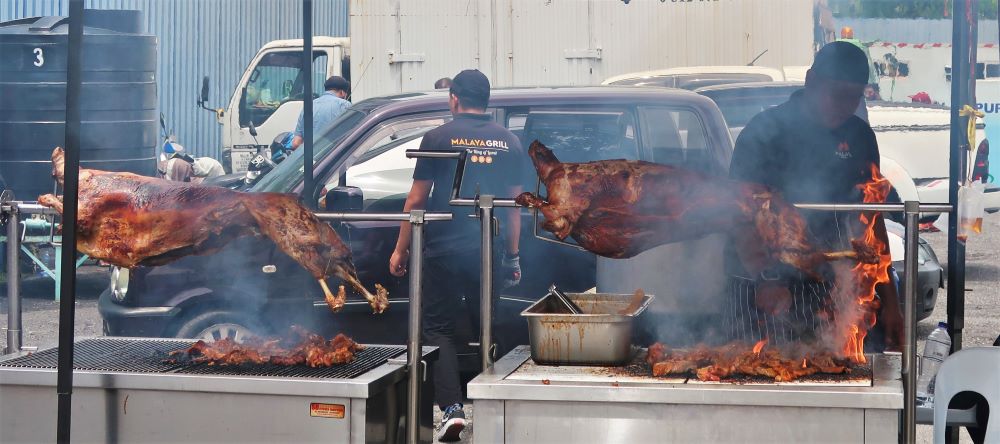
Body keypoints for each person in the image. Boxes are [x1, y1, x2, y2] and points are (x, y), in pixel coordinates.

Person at [725, 41, 904, 351]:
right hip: (759, 285)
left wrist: (891, 300)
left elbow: (871, 220)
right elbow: (739, 214)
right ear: (811, 81)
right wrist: (766, 278)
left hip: (826, 287)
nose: (845, 106)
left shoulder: (859, 137)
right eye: (837, 95)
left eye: (854, 97)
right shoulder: (763, 133)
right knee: (759, 374)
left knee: (830, 371)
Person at [388, 69, 524, 442]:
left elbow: (416, 200)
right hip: (488, 249)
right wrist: (512, 257)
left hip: (443, 250)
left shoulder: (437, 137)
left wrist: (401, 249)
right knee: (487, 323)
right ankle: (497, 410)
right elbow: (514, 206)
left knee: (438, 329)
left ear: (454, 99)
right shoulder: (509, 141)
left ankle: (452, 409)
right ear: (487, 101)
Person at [290, 76, 351, 150]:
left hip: (311, 159)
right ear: (342, 92)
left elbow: (296, 143)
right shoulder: (344, 104)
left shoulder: (309, 106)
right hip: (334, 157)